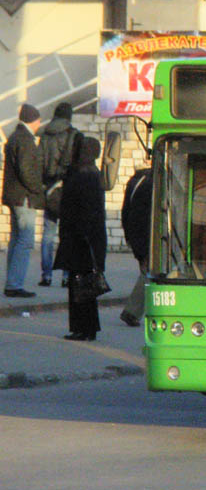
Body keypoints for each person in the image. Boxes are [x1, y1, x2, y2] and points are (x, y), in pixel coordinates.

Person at [54, 136, 107, 341]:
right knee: (83, 286)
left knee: (81, 285)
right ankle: (85, 328)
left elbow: (80, 209)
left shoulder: (85, 176)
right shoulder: (91, 174)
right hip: (85, 238)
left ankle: (83, 328)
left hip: (82, 239)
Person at [3, 103, 44, 298]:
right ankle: (14, 284)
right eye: (38, 119)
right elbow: (26, 170)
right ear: (33, 120)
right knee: (25, 241)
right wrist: (38, 188)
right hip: (24, 197)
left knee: (16, 239)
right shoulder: (26, 140)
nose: (40, 123)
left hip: (14, 196)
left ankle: (12, 282)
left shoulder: (14, 136)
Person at [37, 102, 79, 287]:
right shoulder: (74, 134)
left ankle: (46, 276)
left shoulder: (45, 135)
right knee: (67, 235)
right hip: (68, 189)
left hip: (50, 189)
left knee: (48, 233)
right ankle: (66, 277)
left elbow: (39, 161)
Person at [120, 165, 152, 327]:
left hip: (135, 235)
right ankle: (132, 312)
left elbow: (125, 210)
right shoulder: (154, 183)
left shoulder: (136, 180)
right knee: (151, 274)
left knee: (147, 273)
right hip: (148, 238)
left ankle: (135, 311)